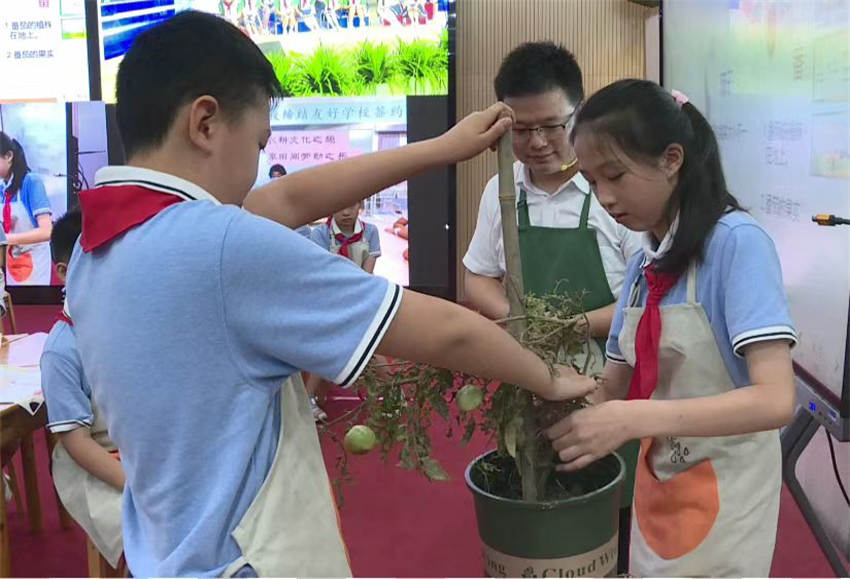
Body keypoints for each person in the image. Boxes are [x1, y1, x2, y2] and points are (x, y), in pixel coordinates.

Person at [64, 11, 590, 577]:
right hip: (252, 559)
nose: (258, 170)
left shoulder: (97, 246)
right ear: (206, 123)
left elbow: (288, 201)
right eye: (260, 142)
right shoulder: (222, 247)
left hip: (167, 551)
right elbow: (449, 331)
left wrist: (439, 149)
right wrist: (549, 377)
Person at [546, 79, 797, 577]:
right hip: (659, 484)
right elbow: (611, 389)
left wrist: (635, 420)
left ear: (672, 159)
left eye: (615, 175)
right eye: (594, 183)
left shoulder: (737, 245)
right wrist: (547, 393)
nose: (606, 198)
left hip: (728, 493)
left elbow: (775, 400)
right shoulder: (645, 269)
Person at [461, 41, 642, 571]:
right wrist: (519, 326)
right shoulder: (502, 191)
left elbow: (644, 299)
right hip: (527, 372)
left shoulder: (611, 191)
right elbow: (476, 278)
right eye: (521, 129)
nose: (536, 142)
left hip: (608, 375)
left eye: (552, 125)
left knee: (611, 502)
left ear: (578, 114)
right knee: (532, 483)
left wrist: (574, 324)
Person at [41, 209, 124, 571]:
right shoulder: (61, 351)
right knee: (151, 525)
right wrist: (135, 484)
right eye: (98, 263)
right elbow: (75, 442)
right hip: (92, 462)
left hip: (139, 449)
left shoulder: (129, 322)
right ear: (63, 271)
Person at [0, 132, 54, 286]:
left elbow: (46, 231)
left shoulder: (31, 182)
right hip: (12, 262)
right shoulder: (2, 187)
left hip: (35, 260)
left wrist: (7, 239)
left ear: (9, 156)